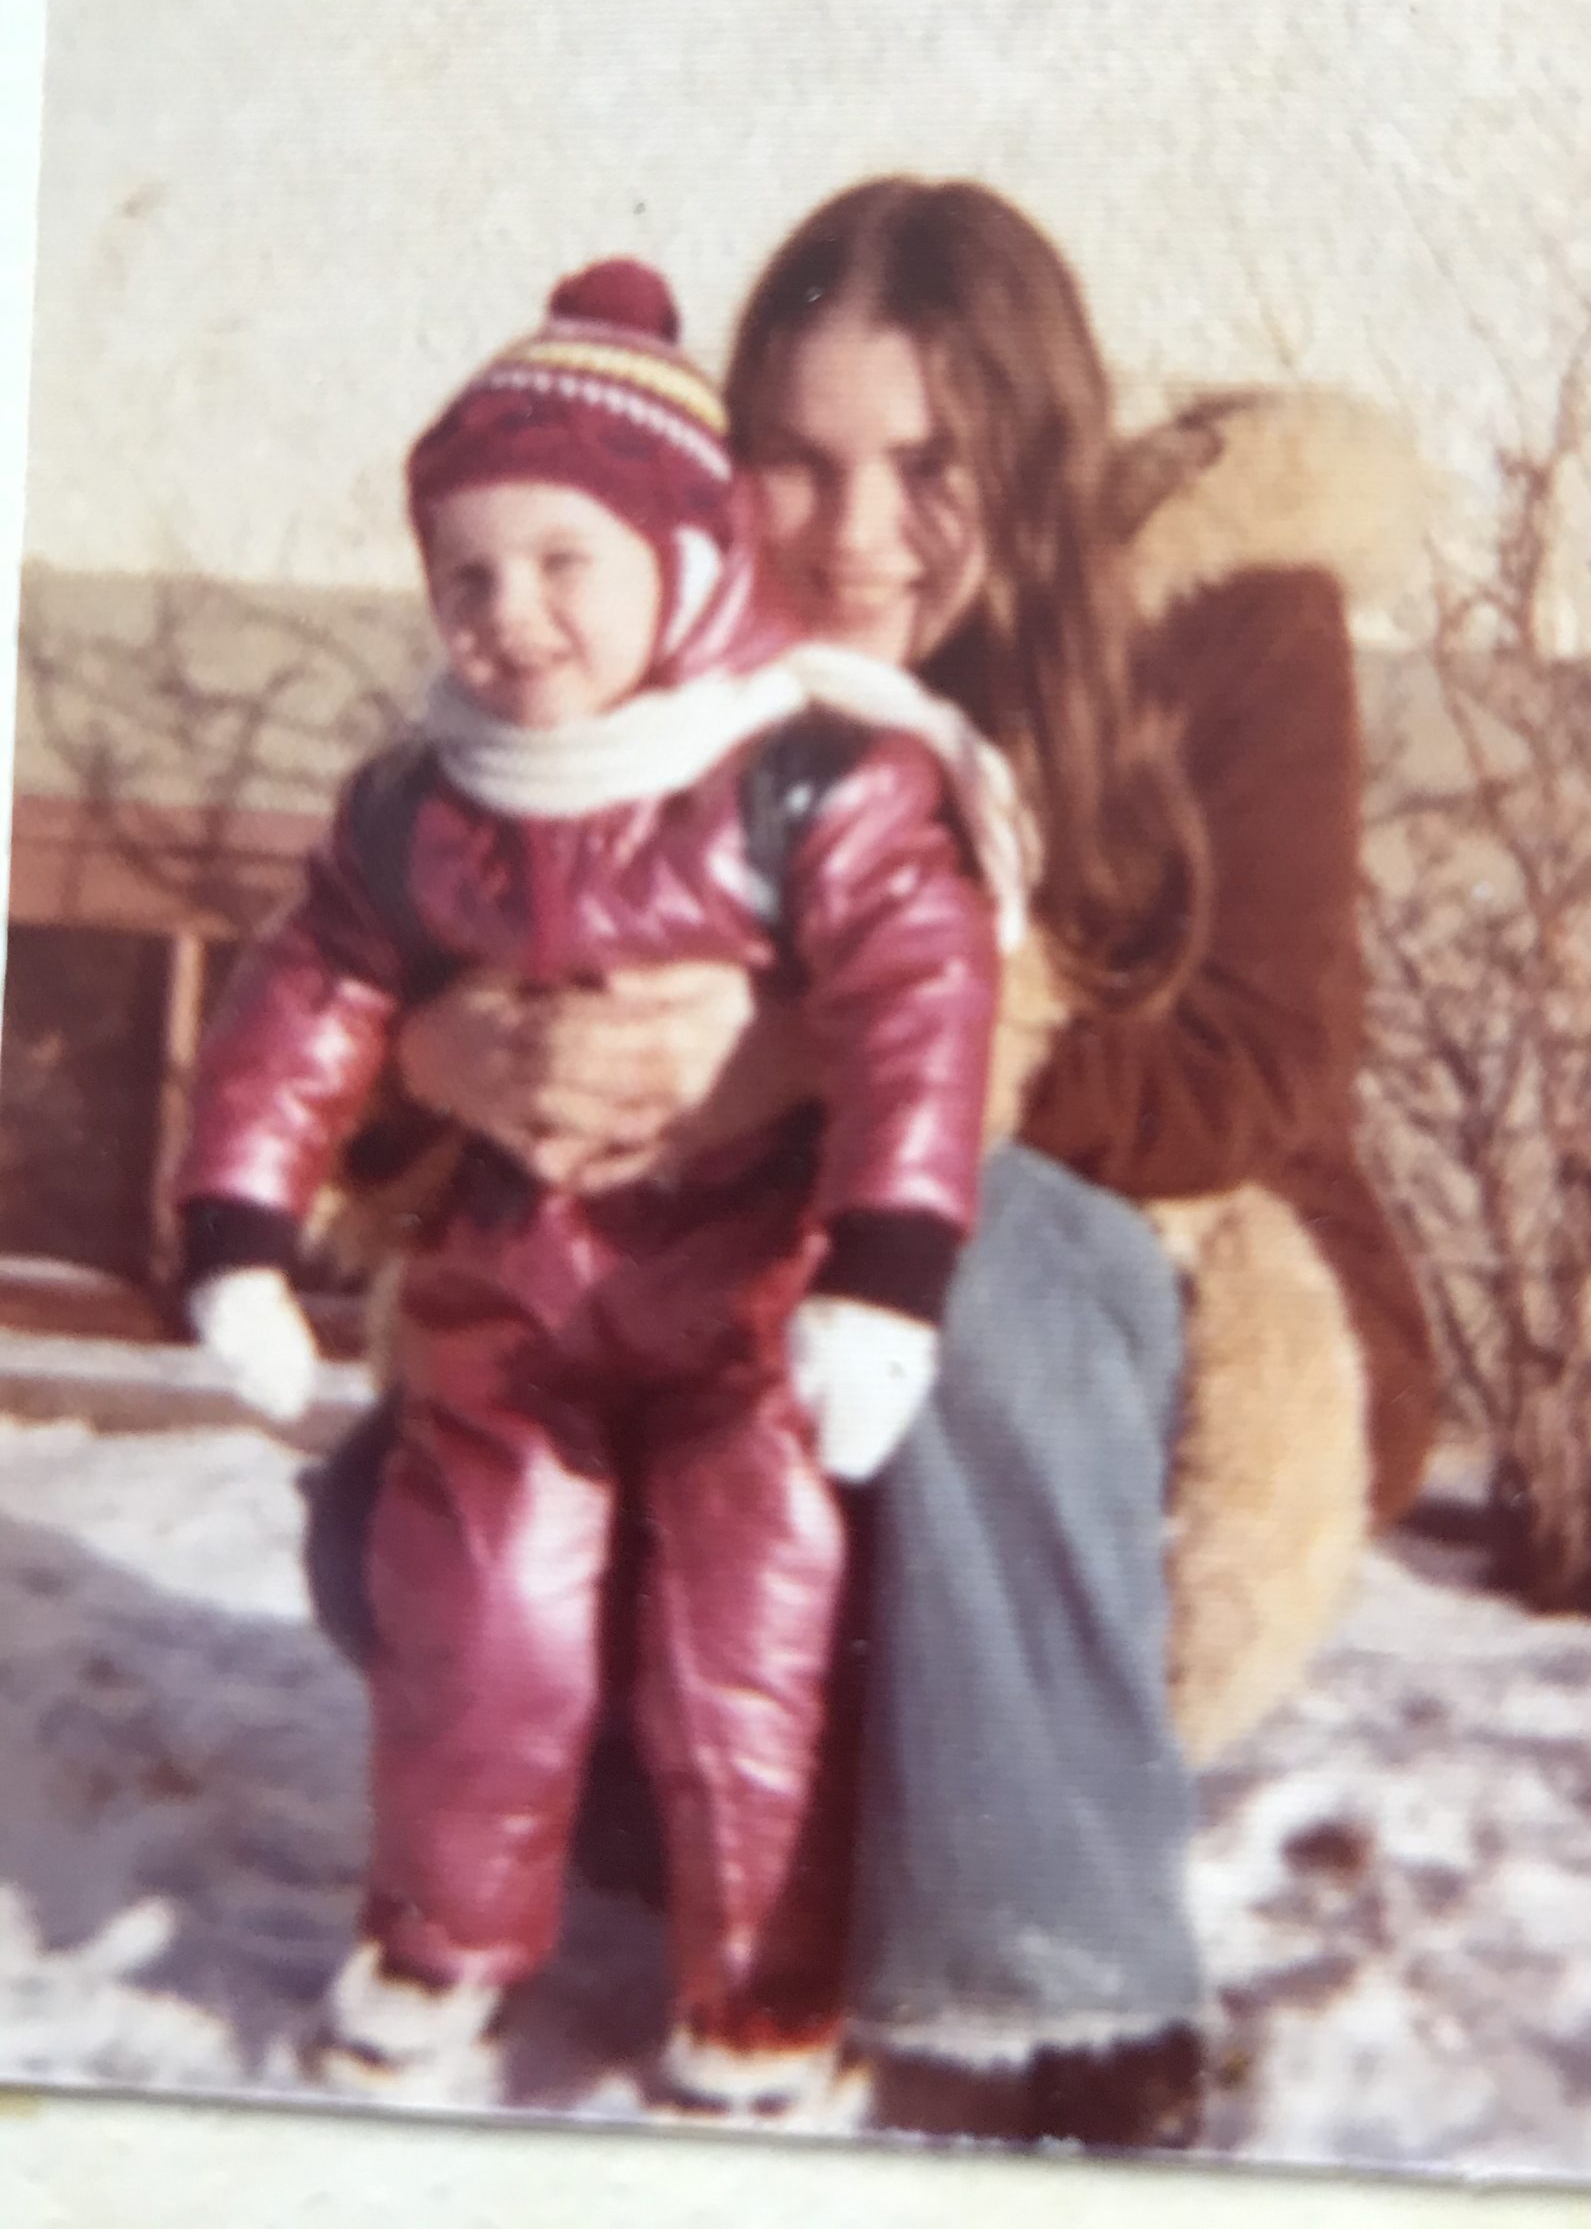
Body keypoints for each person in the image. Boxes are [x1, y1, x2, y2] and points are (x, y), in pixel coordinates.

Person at [310, 179, 1439, 2147]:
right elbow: (379, 975)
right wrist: (439, 1050)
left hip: (1128, 1368)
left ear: (1040, 457)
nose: (855, 532)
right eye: (799, 461)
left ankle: (1069, 1977)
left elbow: (1251, 1069)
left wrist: (832, 1048)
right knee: (380, 1521)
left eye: (933, 465)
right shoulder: (649, 653)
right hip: (750, 1365)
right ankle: (774, 1857)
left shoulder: (1215, 627)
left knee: (975, 1252)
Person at [175, 257, 1025, 2110]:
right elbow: (308, 993)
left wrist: (886, 1263)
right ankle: (439, 1943)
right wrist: (238, 1226)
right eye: (468, 576)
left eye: (567, 561)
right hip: (515, 1304)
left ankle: (761, 1996)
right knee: (476, 1627)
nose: (515, 618)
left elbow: (921, 998)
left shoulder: (810, 778)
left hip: (746, 1303)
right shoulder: (423, 804)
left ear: (687, 561)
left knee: (754, 1643)